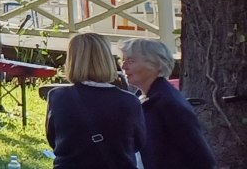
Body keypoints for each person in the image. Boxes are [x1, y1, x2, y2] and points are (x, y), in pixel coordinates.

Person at [47, 32, 145, 169]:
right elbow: (138, 144)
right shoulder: (129, 101)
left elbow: (53, 140)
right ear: (106, 59)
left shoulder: (58, 97)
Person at [120, 37, 214, 169]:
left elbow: (201, 155)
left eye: (131, 61)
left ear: (156, 64)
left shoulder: (169, 103)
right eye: (123, 60)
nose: (123, 66)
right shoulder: (143, 98)